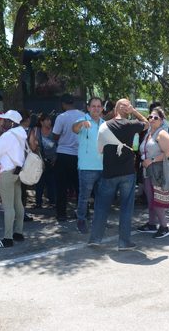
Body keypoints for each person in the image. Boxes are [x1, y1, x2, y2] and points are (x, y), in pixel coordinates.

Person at [88, 98, 148, 251]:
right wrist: (134, 111)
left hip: (109, 172)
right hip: (127, 172)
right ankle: (124, 242)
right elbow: (147, 124)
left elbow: (99, 149)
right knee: (126, 208)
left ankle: (95, 239)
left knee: (101, 206)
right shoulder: (131, 125)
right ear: (127, 110)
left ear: (115, 110)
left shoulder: (104, 126)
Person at [0, 110, 27, 248]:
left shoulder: (7, 136)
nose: (2, 122)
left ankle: (7, 238)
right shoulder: (21, 134)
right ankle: (19, 233)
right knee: (18, 203)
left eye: (4, 120)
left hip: (6, 172)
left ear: (10, 122)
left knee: (8, 206)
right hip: (17, 171)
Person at [136, 107, 169, 239]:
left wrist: (151, 160)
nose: (152, 119)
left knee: (157, 200)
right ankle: (152, 224)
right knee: (150, 198)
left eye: (155, 118)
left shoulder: (162, 133)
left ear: (161, 120)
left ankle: (164, 226)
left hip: (157, 171)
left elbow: (168, 153)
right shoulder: (149, 132)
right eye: (150, 117)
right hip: (147, 170)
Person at [72, 97, 105, 234]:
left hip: (102, 167)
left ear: (102, 108)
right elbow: (74, 129)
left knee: (101, 197)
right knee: (84, 197)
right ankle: (81, 220)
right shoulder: (82, 120)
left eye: (98, 106)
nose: (96, 108)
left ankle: (98, 221)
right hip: (86, 167)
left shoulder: (104, 124)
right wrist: (82, 123)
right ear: (88, 107)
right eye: (93, 106)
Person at [52, 94, 85, 221]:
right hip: (79, 154)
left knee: (61, 186)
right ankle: (82, 212)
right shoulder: (82, 116)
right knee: (79, 185)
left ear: (63, 104)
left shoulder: (61, 117)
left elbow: (55, 135)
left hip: (63, 153)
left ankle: (61, 214)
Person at [32, 113, 57, 208]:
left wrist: (55, 158)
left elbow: (58, 144)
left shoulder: (54, 130)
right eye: (46, 120)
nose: (49, 122)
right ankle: (38, 202)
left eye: (50, 120)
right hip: (40, 160)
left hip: (52, 159)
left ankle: (52, 202)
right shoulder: (36, 130)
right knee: (39, 182)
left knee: (52, 181)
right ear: (41, 122)